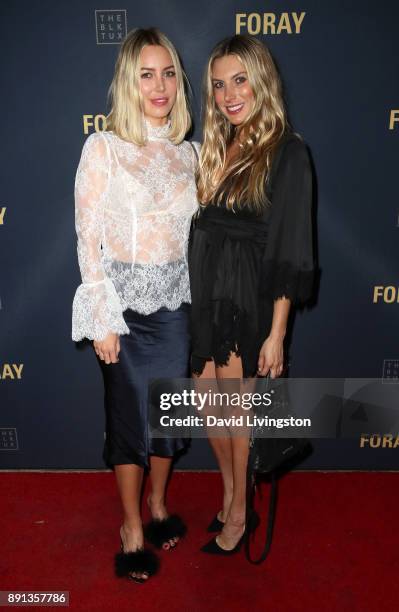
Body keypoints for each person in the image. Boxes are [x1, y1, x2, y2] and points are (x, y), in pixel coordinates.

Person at [72, 28, 198, 581]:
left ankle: (158, 504)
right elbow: (87, 236)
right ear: (128, 81)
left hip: (174, 308)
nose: (160, 86)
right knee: (128, 422)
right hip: (121, 310)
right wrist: (101, 316)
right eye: (147, 74)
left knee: (168, 420)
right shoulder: (103, 147)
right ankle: (130, 524)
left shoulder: (191, 153)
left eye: (168, 72)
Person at [189, 34, 314, 554]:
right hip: (206, 291)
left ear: (261, 80)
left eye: (240, 80)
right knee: (204, 404)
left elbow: (290, 247)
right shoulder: (218, 143)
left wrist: (277, 333)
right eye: (219, 85)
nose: (229, 95)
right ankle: (230, 491)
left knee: (238, 415)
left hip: (246, 295)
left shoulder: (288, 151)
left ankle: (240, 512)